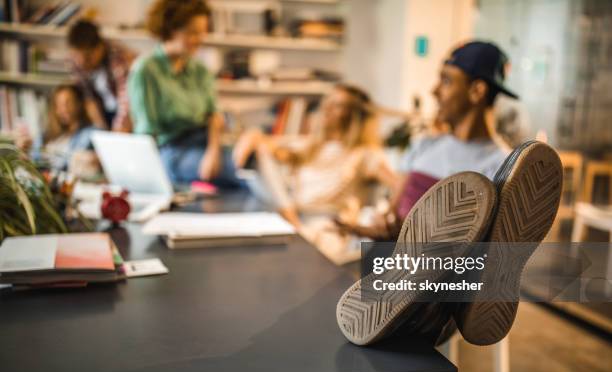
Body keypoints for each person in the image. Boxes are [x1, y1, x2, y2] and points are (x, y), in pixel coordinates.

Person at [337, 41, 515, 240]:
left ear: (477, 91)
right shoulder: (423, 146)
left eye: (446, 81)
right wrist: (363, 229)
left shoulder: (501, 167)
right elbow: (392, 219)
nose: (434, 91)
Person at [233, 84, 399, 227]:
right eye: (328, 102)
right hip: (294, 213)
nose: (327, 108)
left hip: (326, 221)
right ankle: (291, 219)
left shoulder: (365, 153)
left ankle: (292, 222)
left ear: (353, 115)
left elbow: (398, 186)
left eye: (337, 105)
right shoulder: (311, 145)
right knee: (261, 153)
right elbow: (265, 145)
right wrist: (252, 134)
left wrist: (385, 214)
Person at [128, 0, 236, 186]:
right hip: (172, 150)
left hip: (205, 143)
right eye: (193, 32)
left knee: (253, 157)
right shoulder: (146, 70)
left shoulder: (199, 70)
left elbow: (214, 116)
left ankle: (285, 213)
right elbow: (146, 134)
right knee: (242, 168)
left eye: (202, 32)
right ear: (171, 29)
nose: (200, 39)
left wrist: (213, 152)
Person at [16, 84, 99, 176]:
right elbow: (33, 160)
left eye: (68, 103)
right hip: (39, 178)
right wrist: (25, 153)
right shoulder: (47, 134)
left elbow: (67, 163)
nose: (63, 109)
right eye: (58, 105)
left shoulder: (88, 133)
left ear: (79, 104)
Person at [67, 20, 135, 132]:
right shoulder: (77, 61)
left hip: (127, 111)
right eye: (76, 57)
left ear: (99, 47)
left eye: (87, 58)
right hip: (104, 111)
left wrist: (117, 133)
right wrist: (101, 129)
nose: (81, 63)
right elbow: (88, 99)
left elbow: (126, 101)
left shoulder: (118, 58)